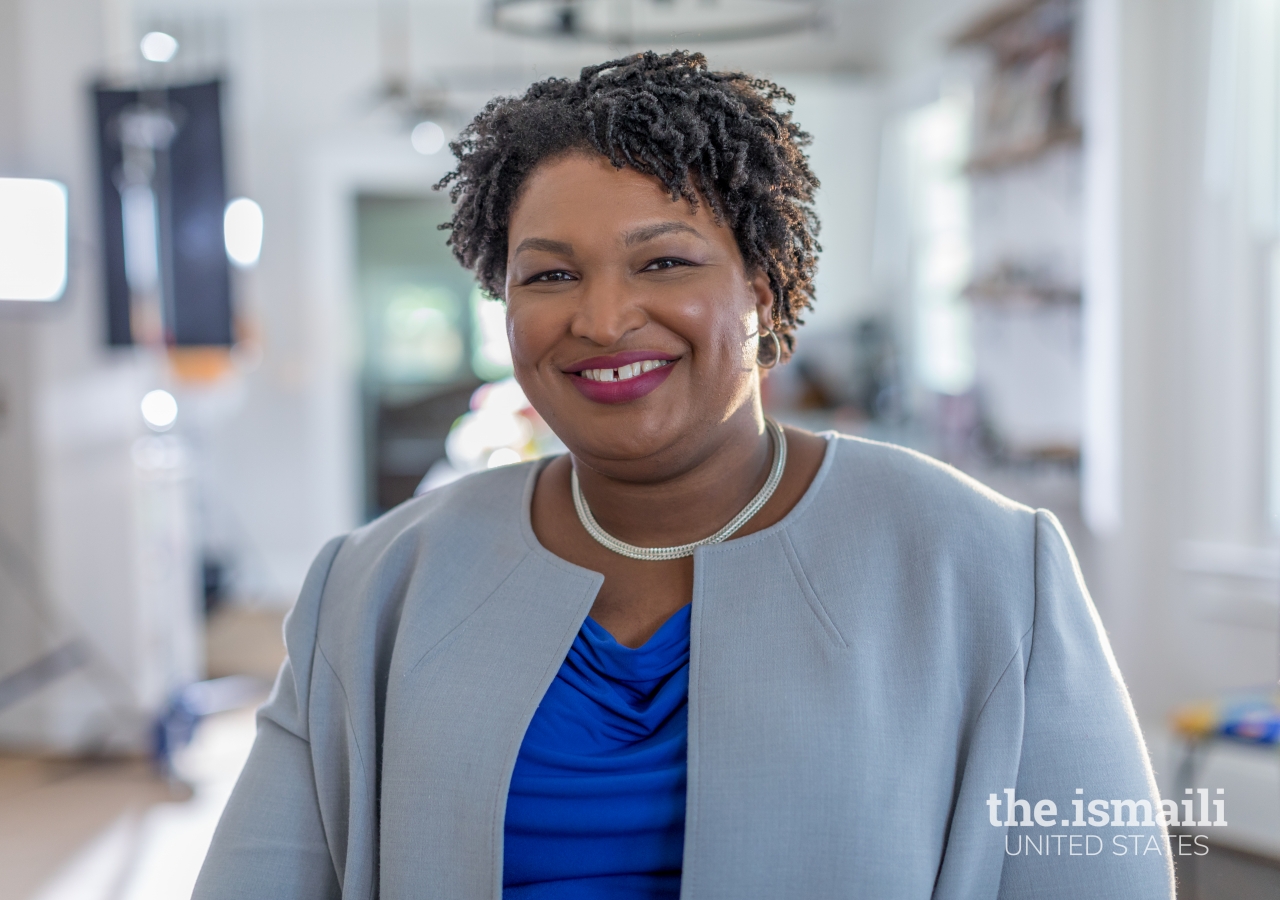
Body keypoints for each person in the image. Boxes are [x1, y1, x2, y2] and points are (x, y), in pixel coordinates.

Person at [194, 51, 1173, 899]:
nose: (603, 318)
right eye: (548, 274)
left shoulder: (986, 568)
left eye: (662, 262)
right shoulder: (372, 588)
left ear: (762, 283)